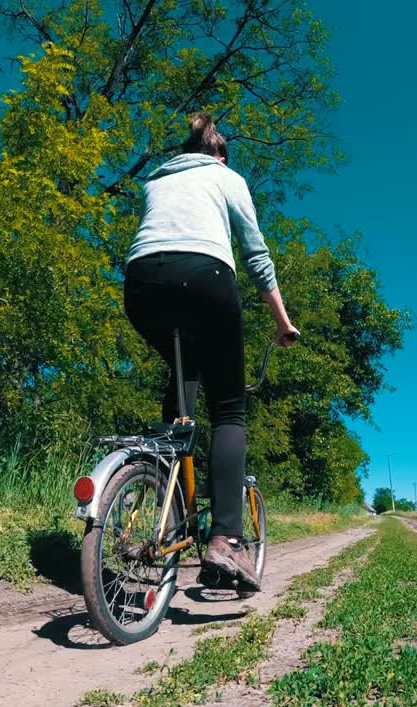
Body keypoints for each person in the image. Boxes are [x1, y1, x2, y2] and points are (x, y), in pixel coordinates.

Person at [123, 112, 298, 591]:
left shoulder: (157, 181)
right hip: (205, 276)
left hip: (141, 283)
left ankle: (168, 509)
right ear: (219, 155)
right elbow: (255, 254)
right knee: (229, 412)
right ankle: (226, 539)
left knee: (183, 386)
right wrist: (283, 322)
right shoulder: (226, 177)